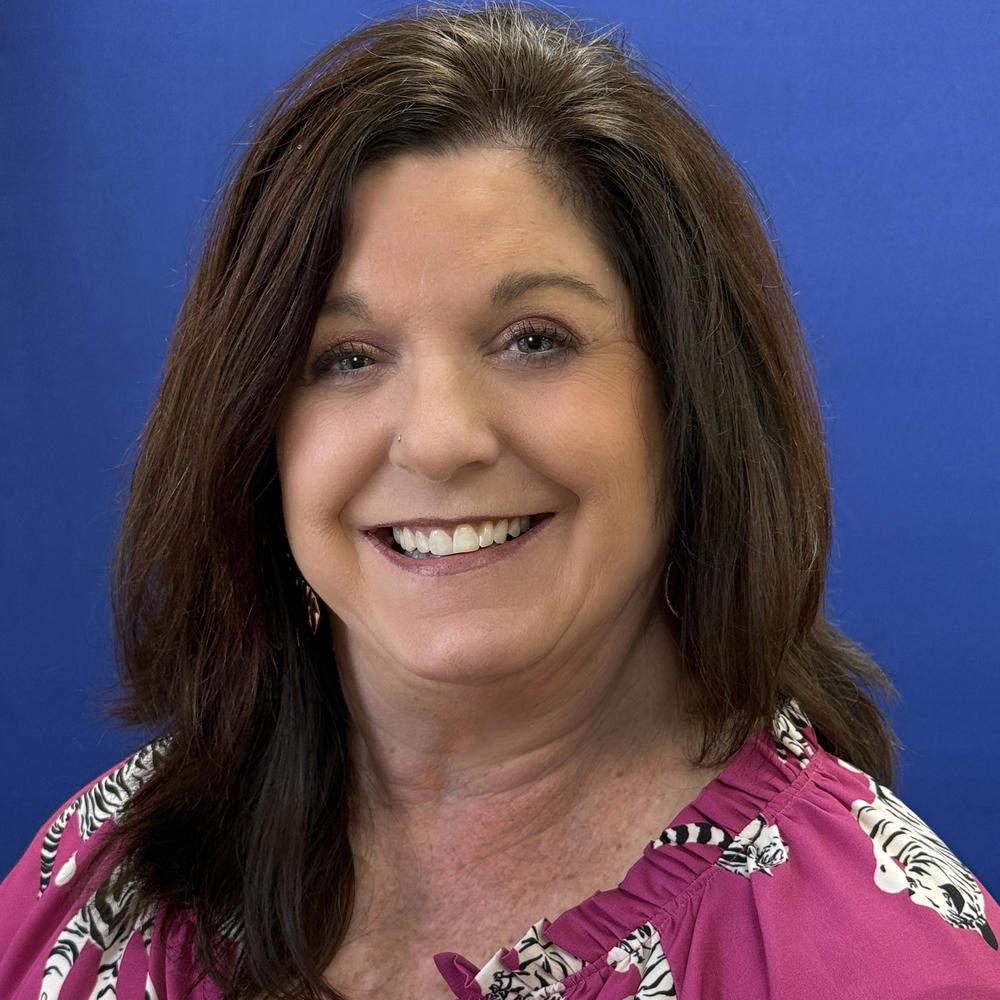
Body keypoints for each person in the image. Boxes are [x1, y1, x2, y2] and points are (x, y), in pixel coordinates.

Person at [1, 3, 997, 998]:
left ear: (692, 401)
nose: (440, 439)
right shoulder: (96, 880)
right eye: (346, 356)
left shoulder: (885, 965)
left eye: (534, 339)